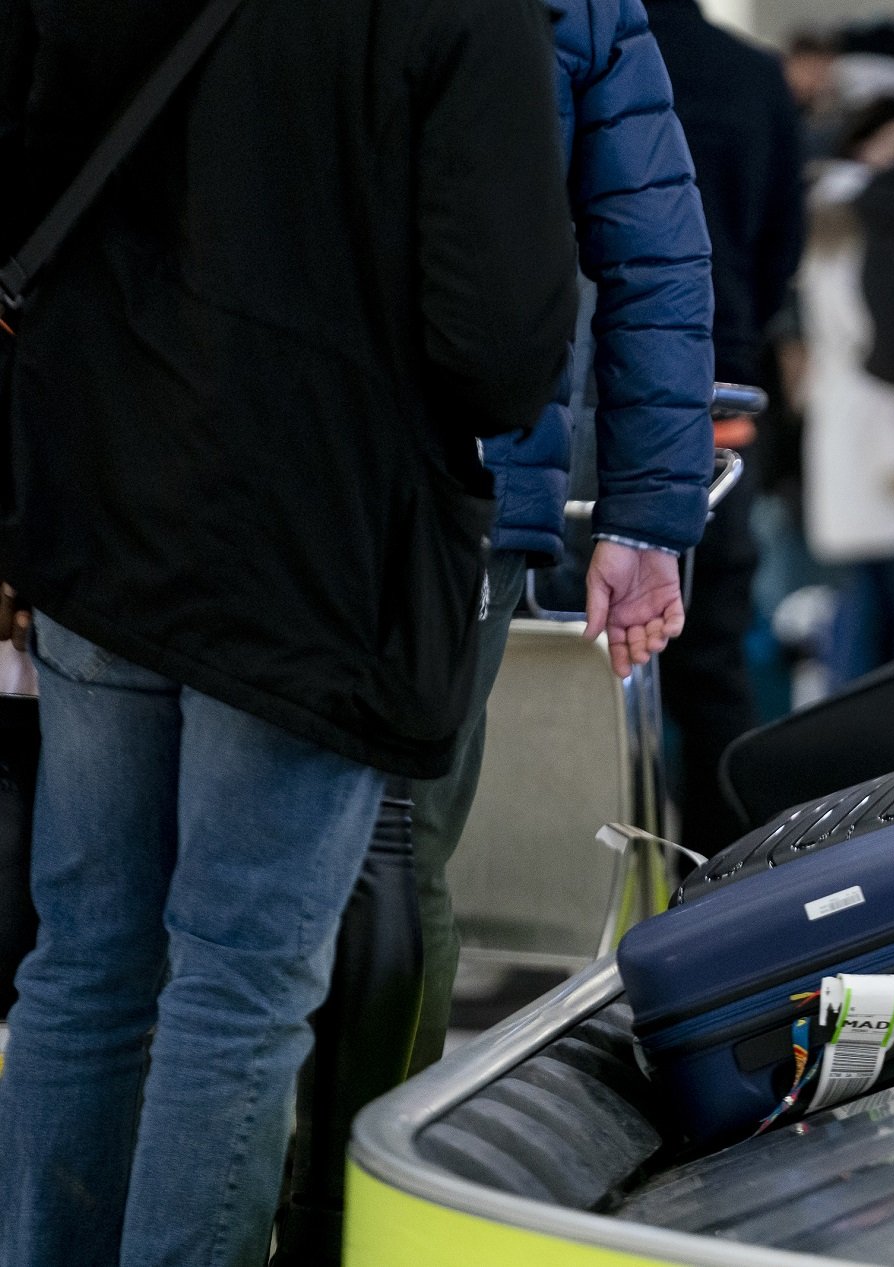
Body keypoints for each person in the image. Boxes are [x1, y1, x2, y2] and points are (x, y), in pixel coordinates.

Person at [0, 0, 577, 1261]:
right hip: (316, 542)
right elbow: (502, 339)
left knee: (84, 960)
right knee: (239, 983)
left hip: (99, 499)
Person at [404, 0, 715, 1076]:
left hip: (215, 467)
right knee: (401, 852)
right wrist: (644, 519)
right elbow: (653, 253)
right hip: (471, 474)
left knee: (142, 904)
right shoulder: (578, 9)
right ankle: (339, 1205)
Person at [647, 0, 807, 854]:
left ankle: (588, 892)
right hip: (721, 383)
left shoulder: (561, 53)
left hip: (593, 388)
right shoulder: (752, 76)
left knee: (575, 653)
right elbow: (783, 240)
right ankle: (726, 872)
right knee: (711, 652)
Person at [801, 97, 894, 687]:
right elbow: (877, 331)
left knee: (868, 603)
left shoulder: (834, 213)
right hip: (888, 432)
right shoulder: (866, 216)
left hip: (857, 430)